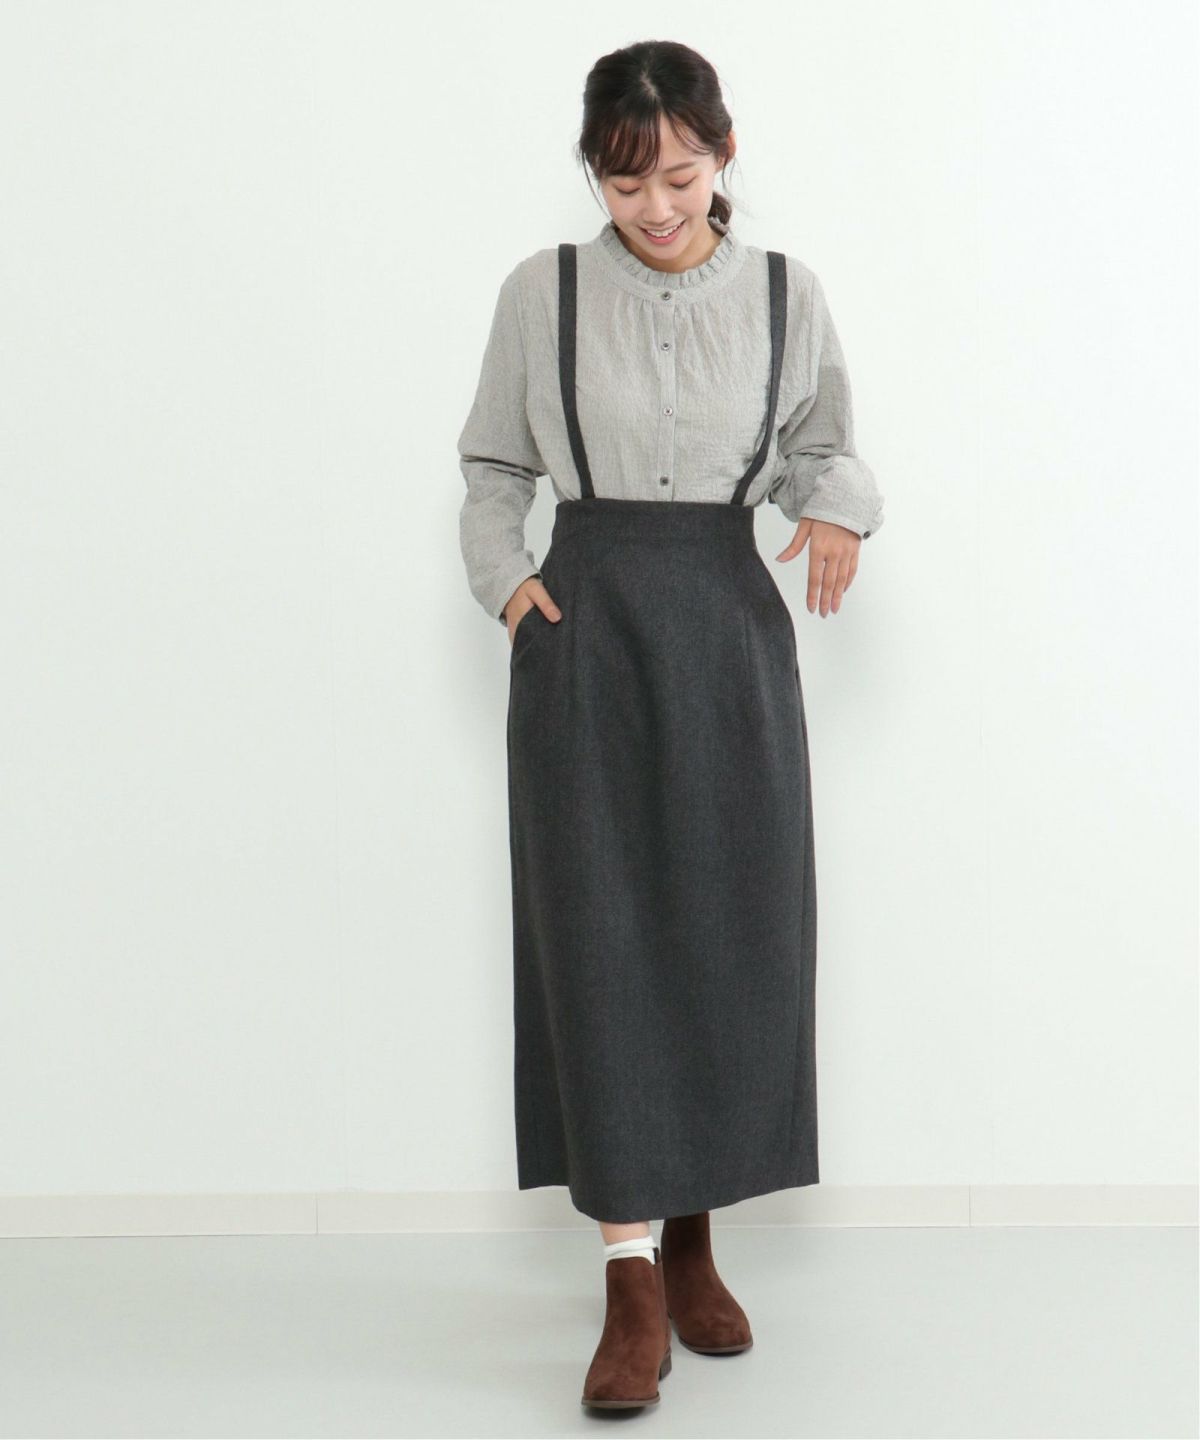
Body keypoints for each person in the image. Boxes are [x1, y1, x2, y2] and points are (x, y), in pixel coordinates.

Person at [456, 39, 884, 1412]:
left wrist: (836, 511)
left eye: (682, 176)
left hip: (725, 628)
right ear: (594, 171)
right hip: (586, 629)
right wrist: (510, 588)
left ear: (724, 154)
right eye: (626, 179)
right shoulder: (543, 293)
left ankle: (697, 1234)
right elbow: (491, 465)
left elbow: (824, 446)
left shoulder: (784, 293)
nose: (655, 206)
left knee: (727, 923)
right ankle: (630, 1275)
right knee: (599, 936)